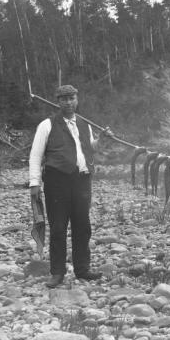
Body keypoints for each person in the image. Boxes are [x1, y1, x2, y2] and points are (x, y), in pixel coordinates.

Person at [29, 84, 113, 287]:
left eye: (72, 98)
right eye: (64, 99)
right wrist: (34, 183)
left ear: (77, 99)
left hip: (82, 181)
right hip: (57, 181)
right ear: (58, 102)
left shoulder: (85, 124)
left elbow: (91, 148)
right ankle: (57, 273)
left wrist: (102, 140)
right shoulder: (46, 125)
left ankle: (82, 269)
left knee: (82, 226)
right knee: (58, 227)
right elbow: (35, 155)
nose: (68, 102)